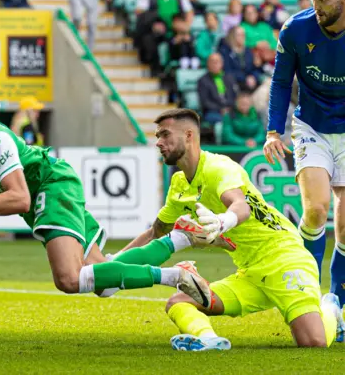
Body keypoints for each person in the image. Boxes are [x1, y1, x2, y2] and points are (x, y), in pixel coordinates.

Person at [0, 97, 239, 314]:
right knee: (101, 281)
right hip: (39, 200)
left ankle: (174, 277)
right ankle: (179, 244)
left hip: (51, 184)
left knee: (69, 280)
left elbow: (18, 197)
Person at [130, 108, 344, 351]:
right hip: (250, 272)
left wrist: (222, 222)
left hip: (284, 258)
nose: (158, 142)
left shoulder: (217, 167)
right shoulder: (179, 184)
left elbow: (240, 207)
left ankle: (330, 308)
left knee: (312, 342)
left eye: (165, 134)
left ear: (189, 135)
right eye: (157, 135)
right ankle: (209, 341)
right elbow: (154, 233)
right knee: (179, 302)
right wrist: (111, 263)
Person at [264, 0, 345, 342]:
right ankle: (308, 295)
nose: (317, 5)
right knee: (316, 209)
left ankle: (338, 302)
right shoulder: (296, 29)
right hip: (311, 126)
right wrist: (271, 131)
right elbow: (281, 82)